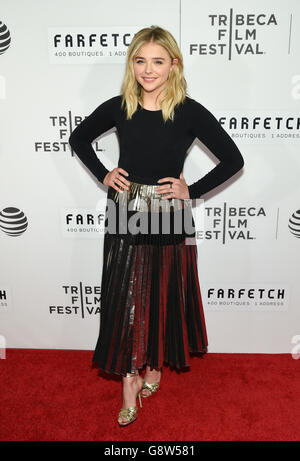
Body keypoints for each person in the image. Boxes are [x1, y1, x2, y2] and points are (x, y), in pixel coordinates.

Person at [68, 25, 244, 427]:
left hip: (168, 208)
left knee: (162, 290)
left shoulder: (189, 110)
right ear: (132, 64)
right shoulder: (119, 106)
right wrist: (103, 174)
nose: (148, 70)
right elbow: (79, 138)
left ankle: (154, 368)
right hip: (126, 205)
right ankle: (128, 382)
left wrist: (191, 189)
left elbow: (234, 160)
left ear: (173, 65)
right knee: (124, 292)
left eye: (158, 61)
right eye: (141, 60)